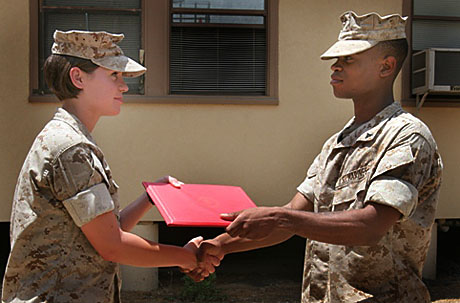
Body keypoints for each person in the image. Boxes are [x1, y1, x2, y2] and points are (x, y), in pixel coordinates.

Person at [195, 11, 443, 303]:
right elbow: (290, 217)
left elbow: (371, 226)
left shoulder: (406, 137)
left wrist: (281, 217)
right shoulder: (336, 143)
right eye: (336, 60)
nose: (335, 67)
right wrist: (219, 245)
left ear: (386, 66)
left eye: (348, 59)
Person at [2, 30, 213, 303]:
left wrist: (151, 197)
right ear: (77, 78)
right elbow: (112, 246)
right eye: (114, 75)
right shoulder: (71, 148)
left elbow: (107, 231)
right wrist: (186, 257)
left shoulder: (71, 139)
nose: (124, 86)